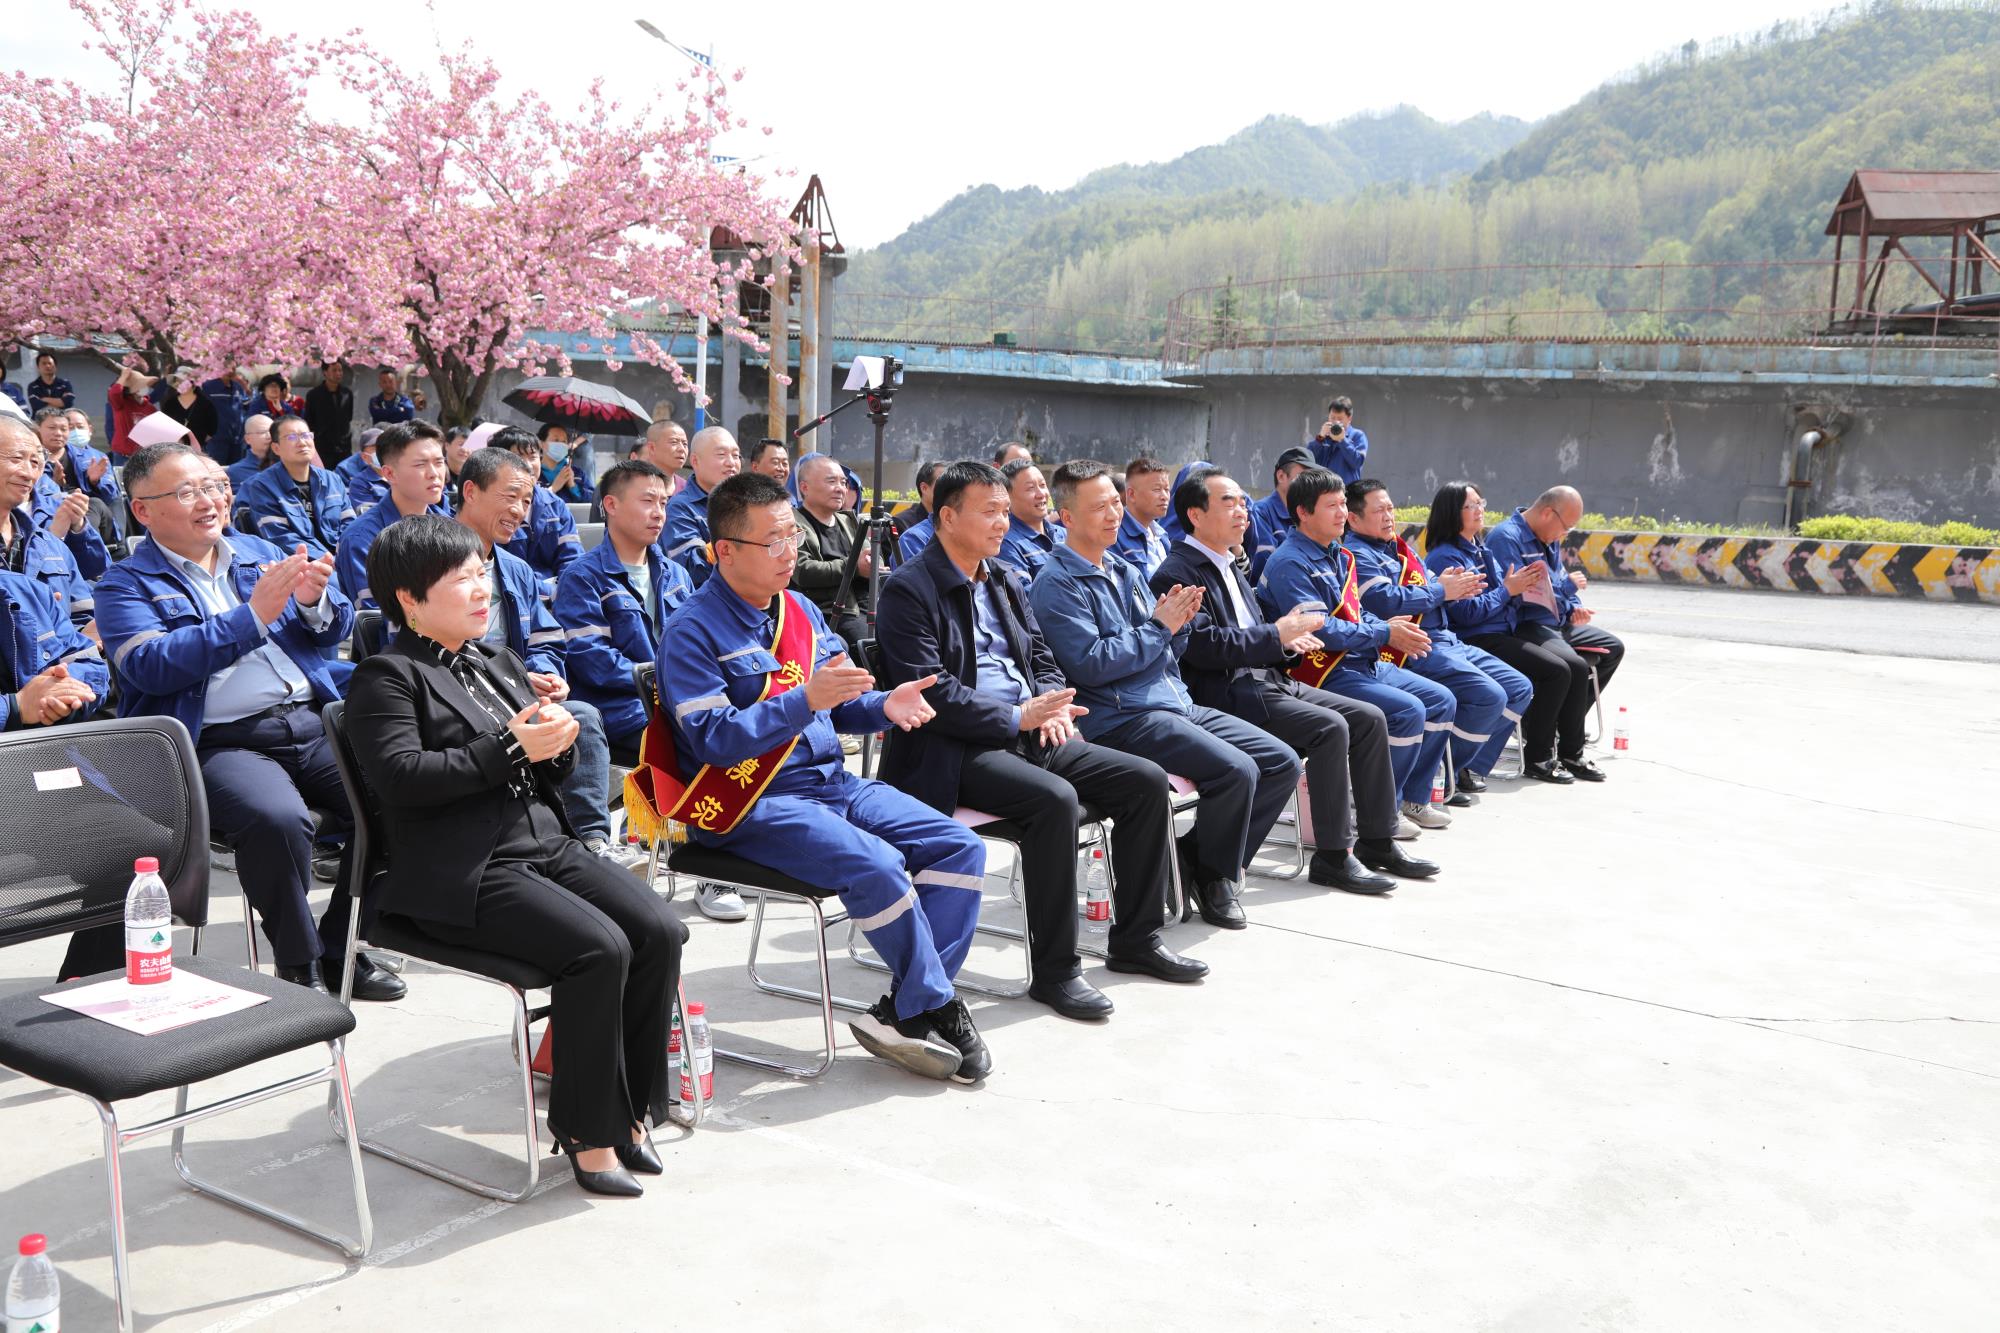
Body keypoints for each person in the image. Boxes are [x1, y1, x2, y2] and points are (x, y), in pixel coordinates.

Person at [347, 515, 682, 1198]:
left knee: (660, 929)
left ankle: (631, 1108)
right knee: (599, 950)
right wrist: (510, 746)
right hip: (466, 867)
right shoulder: (387, 677)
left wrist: (555, 741)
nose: (482, 589)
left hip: (542, 843)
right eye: (461, 578)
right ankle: (588, 1131)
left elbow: (545, 771)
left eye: (482, 574)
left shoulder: (494, 660)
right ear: (409, 598)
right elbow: (402, 779)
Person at [656, 472, 992, 1083]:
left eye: (792, 536)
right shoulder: (691, 630)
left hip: (830, 784)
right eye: (774, 541)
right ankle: (933, 1005)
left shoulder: (801, 610)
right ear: (725, 550)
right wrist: (804, 699)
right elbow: (714, 741)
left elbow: (841, 701)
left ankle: (911, 1006)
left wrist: (884, 705)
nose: (790, 552)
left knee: (958, 846)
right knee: (879, 865)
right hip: (752, 800)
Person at [876, 461, 1205, 1019]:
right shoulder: (909, 589)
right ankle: (1057, 972)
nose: (1002, 523)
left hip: (1028, 732)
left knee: (1144, 782)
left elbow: (1041, 656)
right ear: (948, 517)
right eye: (989, 511)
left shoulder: (1003, 577)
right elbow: (933, 692)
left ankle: (1136, 938)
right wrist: (1015, 717)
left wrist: (1051, 704)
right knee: (1055, 802)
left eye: (1005, 511)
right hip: (952, 750)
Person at [96, 442, 402, 1000]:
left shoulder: (258, 551)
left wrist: (311, 601)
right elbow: (150, 666)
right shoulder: (124, 584)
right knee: (276, 819)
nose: (209, 501)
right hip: (219, 741)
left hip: (311, 720)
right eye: (187, 492)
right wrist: (253, 615)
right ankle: (299, 962)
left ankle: (341, 946)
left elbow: (332, 629)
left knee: (405, 796)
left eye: (214, 486)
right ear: (143, 510)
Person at [1030, 461, 1299, 930]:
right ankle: (1214, 878)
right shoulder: (1056, 584)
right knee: (1237, 770)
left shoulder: (1124, 569)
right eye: (1099, 507)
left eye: (1115, 503)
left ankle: (1193, 860)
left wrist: (1178, 626)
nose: (1113, 514)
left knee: (1281, 762)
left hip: (1172, 700)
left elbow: (1162, 647)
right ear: (1067, 517)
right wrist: (1160, 627)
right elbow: (1092, 662)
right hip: (1122, 717)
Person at [1157, 468, 1434, 893]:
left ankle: (1377, 840)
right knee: (1330, 728)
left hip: (1267, 677)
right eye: (1229, 503)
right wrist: (1277, 635)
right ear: (1195, 515)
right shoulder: (1178, 571)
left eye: (1243, 502)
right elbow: (1204, 648)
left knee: (1369, 719)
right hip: (1228, 690)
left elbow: (1259, 630)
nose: (1242, 511)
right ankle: (1332, 856)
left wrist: (1285, 641)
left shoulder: (1228, 562)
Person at [451, 446, 633, 866]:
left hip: (514, 697)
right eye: (510, 496)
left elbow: (546, 639)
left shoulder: (515, 568)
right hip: (457, 700)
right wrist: (512, 679)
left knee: (579, 716)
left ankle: (591, 842)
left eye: (527, 500)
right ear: (471, 492)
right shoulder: (431, 558)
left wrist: (544, 675)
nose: (519, 511)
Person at [1256, 467, 1459, 831]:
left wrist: (1385, 629)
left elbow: (1355, 610)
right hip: (1322, 669)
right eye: (1331, 505)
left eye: (1343, 504)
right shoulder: (1291, 562)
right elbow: (1321, 628)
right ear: (1303, 512)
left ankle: (1413, 798)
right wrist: (1384, 633)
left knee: (1441, 699)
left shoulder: (1337, 553)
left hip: (1360, 661)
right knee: (1407, 711)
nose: (1341, 513)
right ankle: (1379, 812)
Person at [1347, 479, 1534, 798]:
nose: (1389, 516)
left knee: (1519, 687)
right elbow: (1387, 601)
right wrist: (1443, 590)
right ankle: (1440, 776)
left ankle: (1461, 767)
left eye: (1390, 508)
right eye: (1379, 511)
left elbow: (1435, 585)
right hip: (1415, 643)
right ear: (1353, 518)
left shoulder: (1400, 547)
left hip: (1448, 639)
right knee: (1489, 695)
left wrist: (1445, 587)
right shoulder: (1358, 553)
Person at [1475, 485, 1626, 783]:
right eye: (1566, 526)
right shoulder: (1507, 538)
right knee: (1574, 667)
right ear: (1547, 513)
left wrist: (1573, 607)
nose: (1564, 534)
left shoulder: (1549, 537)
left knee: (1613, 648)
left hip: (1557, 621)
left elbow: (1557, 579)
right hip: (1527, 623)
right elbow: (1526, 594)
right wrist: (1567, 590)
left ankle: (1561, 724)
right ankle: (1565, 750)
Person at [552, 460, 692, 754]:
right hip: (627, 712)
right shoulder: (582, 577)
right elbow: (593, 660)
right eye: (647, 501)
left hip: (680, 703)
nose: (659, 513)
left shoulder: (676, 575)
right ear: (611, 505)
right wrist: (662, 679)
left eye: (663, 503)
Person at [334, 422, 453, 606]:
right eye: (420, 464)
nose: (434, 473)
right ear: (389, 474)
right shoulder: (363, 539)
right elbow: (375, 613)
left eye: (439, 462)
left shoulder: (450, 527)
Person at [0, 417, 93, 627]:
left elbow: (81, 617)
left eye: (35, 463)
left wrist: (84, 641)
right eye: (16, 458)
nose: (28, 473)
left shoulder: (50, 546)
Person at [238, 413, 356, 557]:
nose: (302, 442)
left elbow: (350, 525)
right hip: (300, 562)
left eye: (306, 436)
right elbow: (281, 539)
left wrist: (345, 557)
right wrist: (328, 560)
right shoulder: (263, 486)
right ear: (276, 448)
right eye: (292, 437)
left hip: (342, 558)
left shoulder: (333, 480)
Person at [789, 451, 871, 648]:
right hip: (828, 613)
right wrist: (854, 567)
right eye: (831, 481)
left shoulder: (849, 521)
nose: (840, 489)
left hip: (868, 606)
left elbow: (870, 557)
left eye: (843, 483)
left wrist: (873, 564)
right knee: (869, 648)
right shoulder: (793, 523)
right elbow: (802, 570)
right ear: (805, 487)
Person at [489, 426, 583, 597]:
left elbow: (572, 558)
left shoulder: (555, 506)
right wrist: (548, 591)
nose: (528, 465)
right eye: (518, 458)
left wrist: (566, 591)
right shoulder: (491, 508)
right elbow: (498, 570)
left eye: (533, 457)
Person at [663, 424, 740, 588]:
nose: (731, 462)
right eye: (721, 455)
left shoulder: (746, 503)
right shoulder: (680, 508)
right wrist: (742, 539)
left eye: (736, 455)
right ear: (695, 461)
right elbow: (692, 567)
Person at [37, 407, 122, 550]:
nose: (58, 433)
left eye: (64, 429)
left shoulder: (91, 457)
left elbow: (112, 498)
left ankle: (84, 548)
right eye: (52, 428)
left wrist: (94, 482)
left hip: (90, 514)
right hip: (50, 515)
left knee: (92, 504)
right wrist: (56, 486)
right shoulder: (32, 459)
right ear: (38, 429)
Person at [1247, 448, 1313, 582]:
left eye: (1313, 477)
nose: (1310, 483)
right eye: (1303, 476)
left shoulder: (1310, 513)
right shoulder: (1260, 512)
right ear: (1281, 476)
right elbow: (1266, 565)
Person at [997, 459, 1065, 579]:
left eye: (1042, 485)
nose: (1041, 494)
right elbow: (1023, 590)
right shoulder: (1006, 544)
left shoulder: (1065, 533)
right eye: (1030, 488)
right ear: (1007, 496)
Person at [1112, 455, 1173, 578]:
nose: (1164, 496)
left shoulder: (1161, 534)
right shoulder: (1114, 535)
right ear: (1132, 494)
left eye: (1167, 489)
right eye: (1157, 490)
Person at [891, 459, 944, 566]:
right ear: (924, 488)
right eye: (942, 482)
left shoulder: (953, 524)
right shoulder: (901, 524)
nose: (950, 490)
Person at [1307, 395, 1369, 485]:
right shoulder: (1324, 437)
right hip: (1324, 489)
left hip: (1347, 490)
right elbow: (1309, 460)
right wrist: (1320, 438)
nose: (1335, 422)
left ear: (1349, 419)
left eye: (1340, 419)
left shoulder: (1358, 436)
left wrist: (1342, 440)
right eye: (1332, 418)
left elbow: (1357, 462)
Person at [303, 361, 355, 465]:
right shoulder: (313, 395)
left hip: (344, 447)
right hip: (322, 447)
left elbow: (348, 417)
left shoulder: (347, 394)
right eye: (334, 370)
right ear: (325, 372)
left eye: (340, 370)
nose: (338, 373)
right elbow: (309, 421)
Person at [153, 368, 219, 449]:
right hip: (175, 447)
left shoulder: (205, 403)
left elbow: (212, 426)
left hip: (199, 448)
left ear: (193, 384)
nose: (180, 385)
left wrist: (200, 441)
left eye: (183, 382)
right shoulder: (170, 403)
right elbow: (165, 424)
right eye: (177, 382)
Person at [200, 370, 254, 464]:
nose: (229, 370)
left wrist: (244, 385)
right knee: (217, 469)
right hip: (217, 440)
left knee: (236, 470)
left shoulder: (238, 386)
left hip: (237, 440)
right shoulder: (208, 386)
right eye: (226, 367)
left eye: (232, 367)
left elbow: (247, 405)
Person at [336, 427, 390, 515]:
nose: (382, 451)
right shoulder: (359, 482)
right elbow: (371, 516)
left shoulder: (401, 473)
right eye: (376, 447)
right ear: (365, 457)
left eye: (385, 446)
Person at [538, 423, 593, 504]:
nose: (561, 444)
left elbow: (592, 500)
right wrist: (553, 488)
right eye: (556, 440)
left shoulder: (577, 474)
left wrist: (573, 486)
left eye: (564, 441)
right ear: (541, 444)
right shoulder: (534, 473)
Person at [228, 413, 276, 490]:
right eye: (262, 432)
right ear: (248, 439)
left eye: (272, 432)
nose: (269, 436)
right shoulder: (236, 472)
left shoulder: (288, 465)